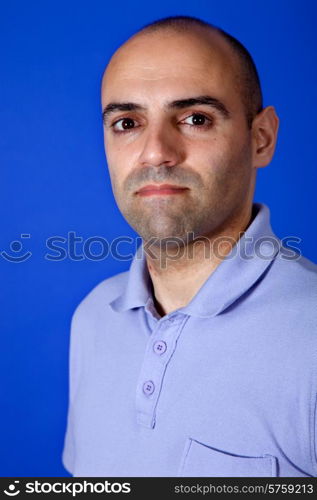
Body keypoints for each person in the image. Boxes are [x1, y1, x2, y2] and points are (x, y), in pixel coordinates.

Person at [62, 16, 317, 477]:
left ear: (261, 138)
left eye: (195, 119)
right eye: (127, 122)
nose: (155, 150)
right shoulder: (93, 318)